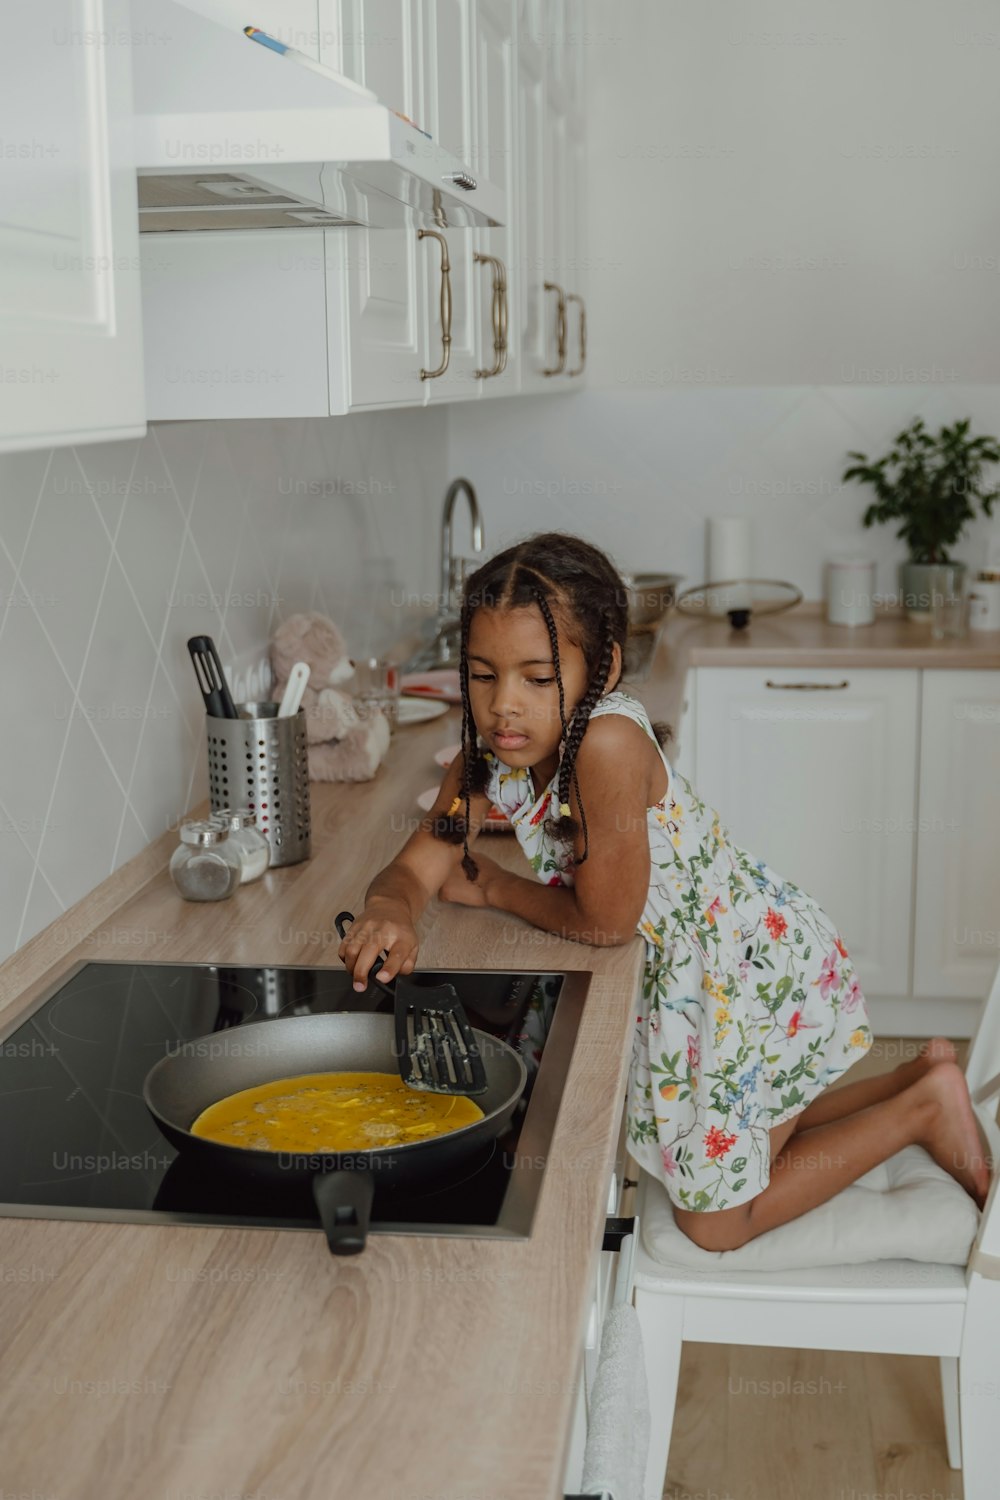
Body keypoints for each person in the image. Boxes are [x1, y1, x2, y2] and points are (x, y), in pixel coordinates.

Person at [338, 531, 991, 1249]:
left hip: (736, 969)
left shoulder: (604, 747)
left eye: (536, 677)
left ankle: (922, 1107)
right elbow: (421, 859)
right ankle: (920, 1080)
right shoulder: (490, 755)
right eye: (484, 675)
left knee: (712, 1224)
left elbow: (606, 923)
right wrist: (388, 909)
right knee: (756, 1125)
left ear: (605, 669)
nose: (504, 707)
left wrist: (496, 889)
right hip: (710, 966)